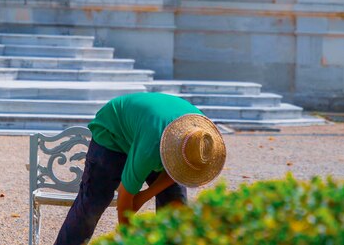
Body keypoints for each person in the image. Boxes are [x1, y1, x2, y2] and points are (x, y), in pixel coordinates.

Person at [53, 92, 227, 245]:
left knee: (176, 204)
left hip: (149, 129)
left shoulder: (202, 136)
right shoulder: (150, 149)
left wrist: (143, 196)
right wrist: (128, 238)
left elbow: (180, 172)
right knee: (93, 203)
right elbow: (125, 197)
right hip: (114, 132)